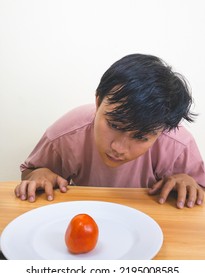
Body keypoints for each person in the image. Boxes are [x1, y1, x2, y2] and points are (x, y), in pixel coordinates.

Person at [15, 54, 205, 208]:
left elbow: (200, 190)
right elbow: (30, 172)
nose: (119, 148)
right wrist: (38, 174)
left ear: (162, 130)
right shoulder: (67, 133)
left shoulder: (178, 145)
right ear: (98, 103)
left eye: (140, 136)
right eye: (114, 125)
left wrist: (190, 184)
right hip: (83, 218)